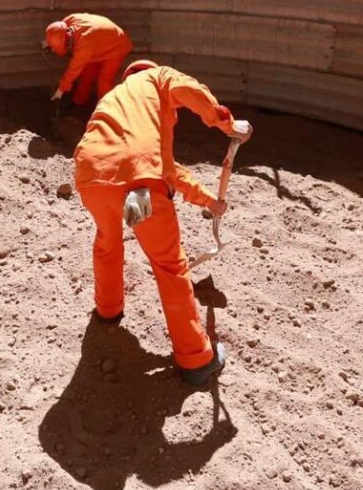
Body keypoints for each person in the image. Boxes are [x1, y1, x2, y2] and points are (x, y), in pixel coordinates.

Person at [73, 59, 252, 387]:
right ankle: (197, 359)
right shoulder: (157, 79)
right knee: (169, 265)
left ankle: (108, 308)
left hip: (93, 178)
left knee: (108, 239)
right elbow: (189, 90)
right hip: (137, 188)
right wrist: (225, 123)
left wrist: (210, 201)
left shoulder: (117, 104)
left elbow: (167, 170)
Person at [42, 13, 133, 107]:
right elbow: (57, 33)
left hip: (117, 46)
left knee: (104, 82)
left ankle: (106, 111)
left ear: (66, 44)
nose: (53, 50)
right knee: (87, 75)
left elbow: (72, 71)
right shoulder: (69, 20)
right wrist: (49, 42)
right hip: (99, 43)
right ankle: (78, 103)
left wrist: (60, 91)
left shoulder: (83, 46)